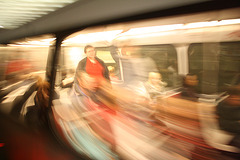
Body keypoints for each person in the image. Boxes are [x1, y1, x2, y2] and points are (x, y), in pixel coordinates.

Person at [216, 85, 240, 149]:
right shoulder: (222, 106)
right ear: (230, 97)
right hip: (231, 134)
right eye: (237, 99)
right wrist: (237, 123)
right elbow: (222, 124)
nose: (237, 101)